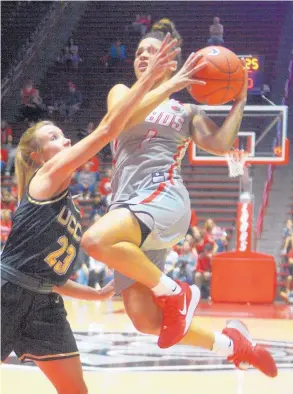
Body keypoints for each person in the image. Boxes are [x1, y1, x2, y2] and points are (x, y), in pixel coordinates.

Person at [81, 19, 277, 377]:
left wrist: (240, 101)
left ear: (170, 61)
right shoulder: (121, 91)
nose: (142, 57)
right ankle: (234, 345)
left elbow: (219, 145)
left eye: (152, 52)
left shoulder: (185, 111)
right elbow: (120, 121)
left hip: (163, 198)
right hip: (128, 209)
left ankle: (176, 293)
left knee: (94, 239)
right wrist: (171, 82)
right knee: (145, 319)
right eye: (139, 53)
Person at [1, 41, 177, 394]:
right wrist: (154, 81)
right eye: (54, 137)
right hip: (6, 294)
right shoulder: (46, 177)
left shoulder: (71, 205)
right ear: (38, 156)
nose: (65, 140)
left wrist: (95, 297)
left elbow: (47, 277)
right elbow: (109, 130)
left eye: (63, 134)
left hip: (43, 302)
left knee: (76, 391)